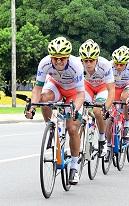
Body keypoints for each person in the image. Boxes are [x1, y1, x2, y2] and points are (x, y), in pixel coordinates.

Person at [25, 36, 85, 185]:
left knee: (72, 128)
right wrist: (32, 107)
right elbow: (38, 89)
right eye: (55, 58)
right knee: (44, 99)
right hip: (55, 86)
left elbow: (81, 94)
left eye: (62, 58)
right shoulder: (45, 63)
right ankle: (51, 126)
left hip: (73, 92)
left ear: (68, 57)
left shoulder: (76, 65)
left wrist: (75, 110)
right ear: (51, 57)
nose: (58, 61)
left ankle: (74, 166)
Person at [79, 39, 115, 157]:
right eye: (86, 61)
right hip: (87, 86)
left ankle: (102, 138)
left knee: (97, 110)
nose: (88, 64)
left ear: (97, 59)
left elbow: (111, 90)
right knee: (80, 108)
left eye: (91, 60)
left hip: (102, 88)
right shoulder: (77, 64)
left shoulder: (105, 65)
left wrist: (106, 108)